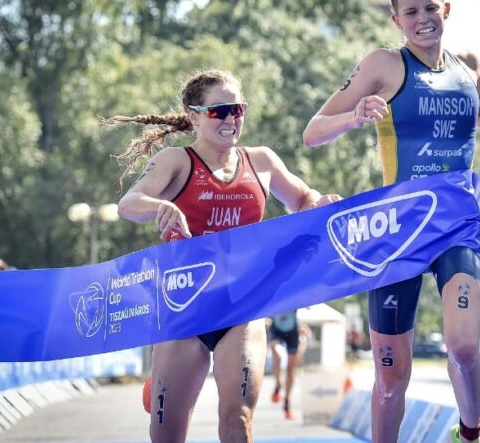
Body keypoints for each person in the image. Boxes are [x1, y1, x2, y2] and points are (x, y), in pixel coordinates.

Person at [302, 0, 480, 442]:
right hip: (397, 229)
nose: (422, 20)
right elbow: (313, 132)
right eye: (411, 13)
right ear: (396, 20)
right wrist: (353, 117)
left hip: (458, 224)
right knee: (392, 380)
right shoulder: (383, 64)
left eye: (429, 9)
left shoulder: (468, 65)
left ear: (446, 10)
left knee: (462, 344)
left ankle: (470, 432)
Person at [105, 68, 340, 443]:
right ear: (194, 115)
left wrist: (320, 202)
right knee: (166, 435)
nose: (231, 118)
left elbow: (302, 199)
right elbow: (128, 204)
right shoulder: (176, 162)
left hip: (243, 306)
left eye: (238, 109)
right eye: (219, 111)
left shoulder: (261, 162)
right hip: (185, 308)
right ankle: (163, 379)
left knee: (238, 421)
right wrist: (158, 207)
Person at [268, 309, 303, 420]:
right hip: (276, 329)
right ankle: (278, 384)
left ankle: (287, 401)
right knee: (276, 355)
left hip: (292, 330)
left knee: (290, 369)